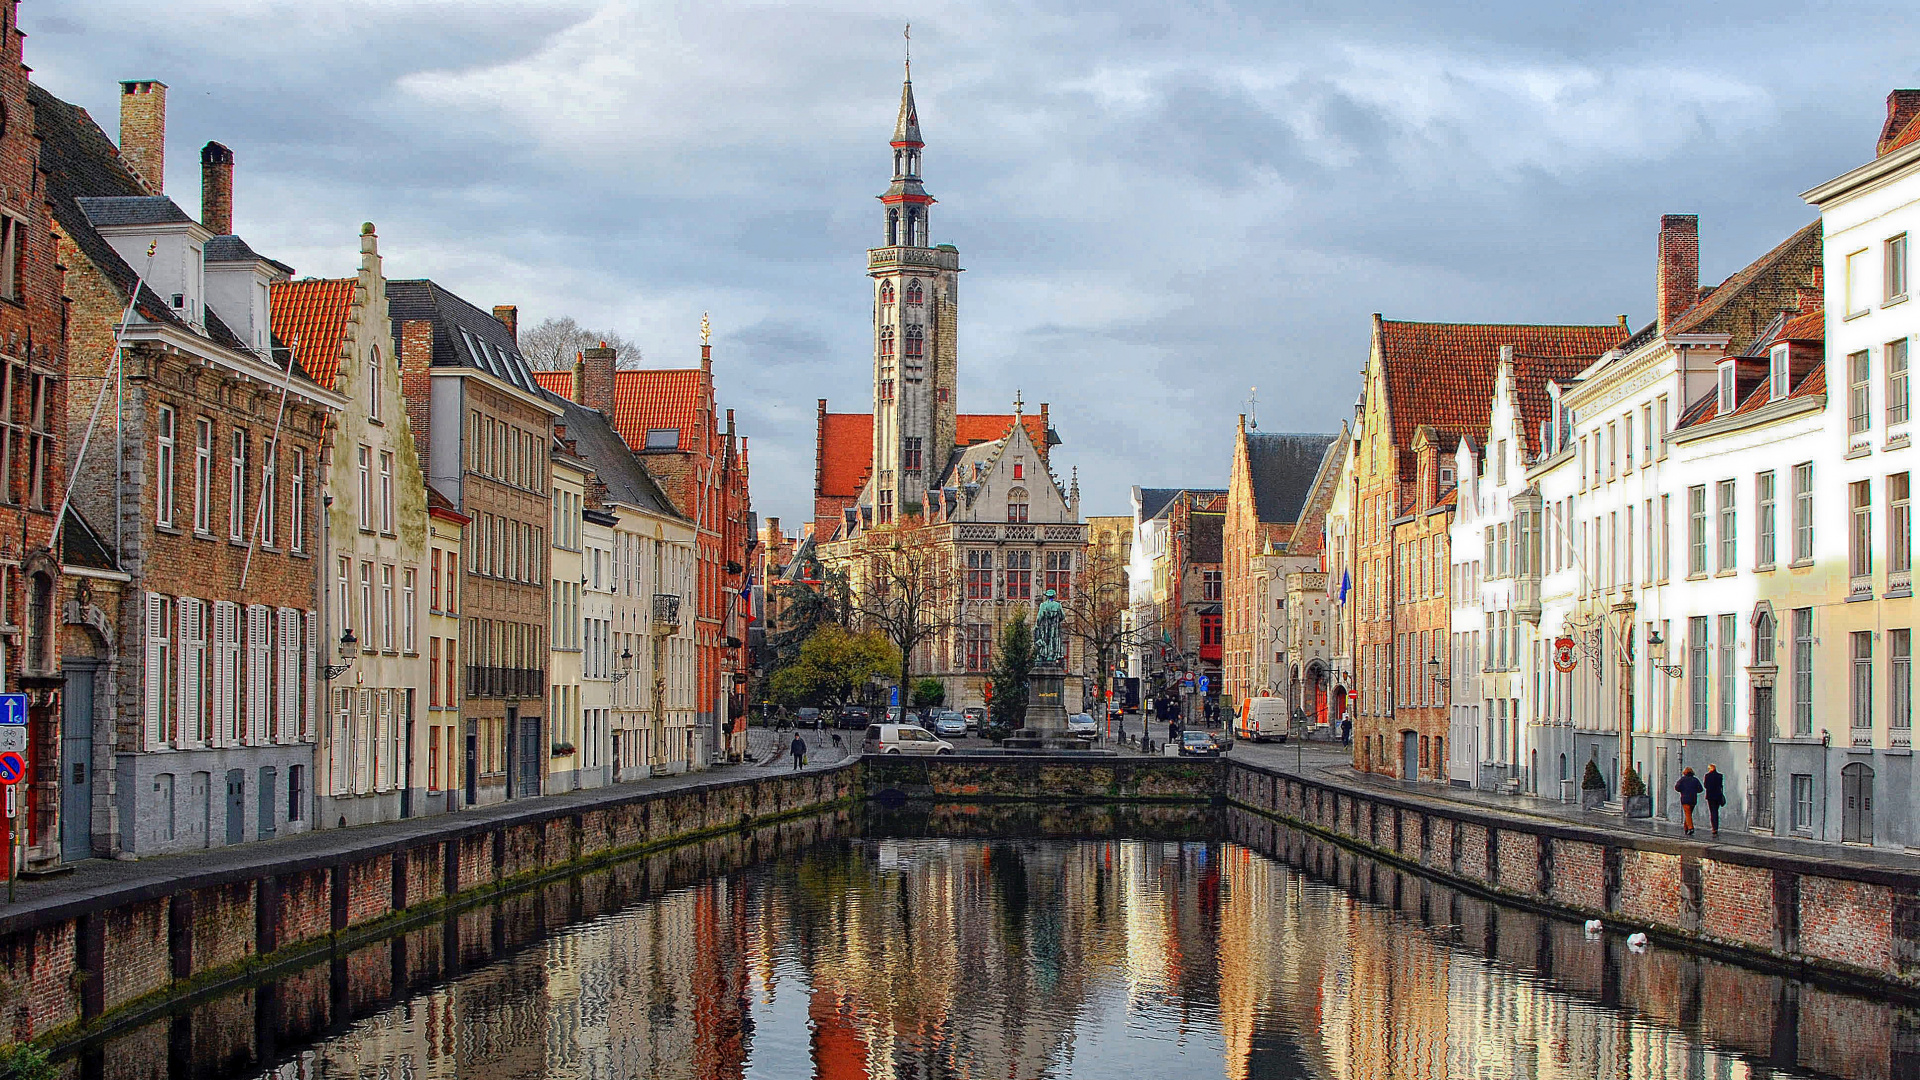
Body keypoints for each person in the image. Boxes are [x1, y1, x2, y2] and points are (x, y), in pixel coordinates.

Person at [1674, 767, 1703, 835]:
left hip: (1685, 799)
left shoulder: (1682, 780)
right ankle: (1686, 828)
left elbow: (1677, 787)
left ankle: (1691, 828)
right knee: (1689, 814)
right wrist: (1694, 791)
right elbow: (1700, 789)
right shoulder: (1695, 780)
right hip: (1693, 799)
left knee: (1688, 813)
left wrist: (1682, 790)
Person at [1703, 764, 1727, 837]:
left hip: (1710, 796)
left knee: (1712, 812)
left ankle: (1714, 828)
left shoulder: (1707, 776)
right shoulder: (1720, 776)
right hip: (1718, 796)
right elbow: (1721, 786)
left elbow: (1705, 785)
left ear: (1710, 769)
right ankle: (1716, 827)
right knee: (1716, 811)